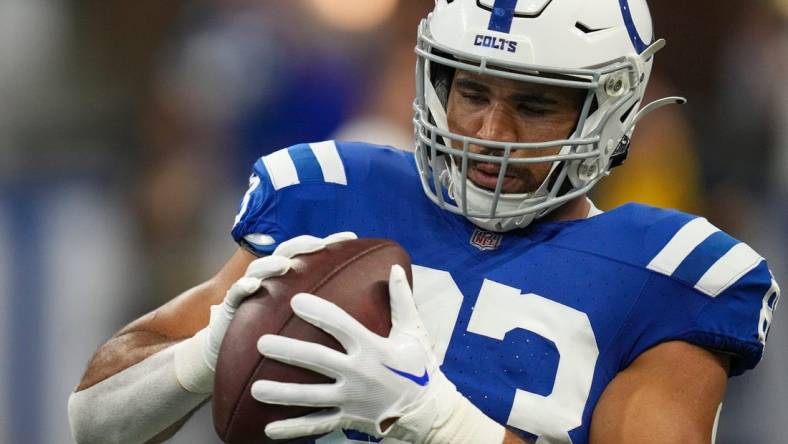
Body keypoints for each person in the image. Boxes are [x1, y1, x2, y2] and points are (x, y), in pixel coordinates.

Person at [68, 1, 781, 443]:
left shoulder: (661, 274)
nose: (489, 131)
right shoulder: (335, 194)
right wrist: (196, 361)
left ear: (612, 112)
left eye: (534, 106)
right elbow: (94, 425)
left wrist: (437, 423)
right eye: (470, 91)